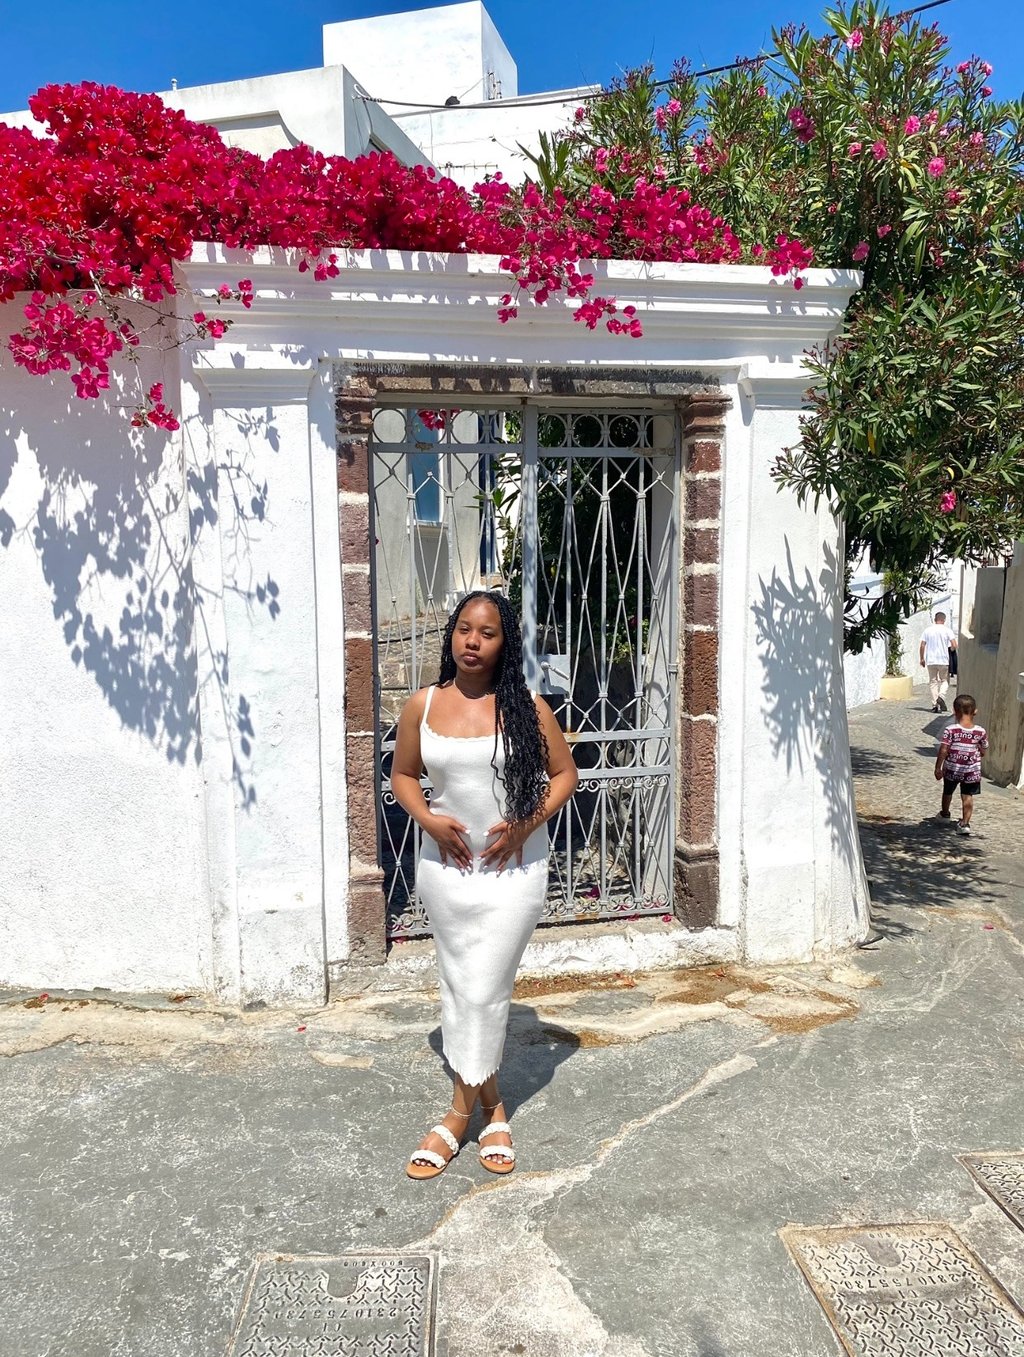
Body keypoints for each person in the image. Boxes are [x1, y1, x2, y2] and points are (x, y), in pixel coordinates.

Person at [390, 590, 578, 1180]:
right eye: (464, 629)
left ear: (504, 644)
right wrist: (427, 820)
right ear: (451, 634)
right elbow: (402, 776)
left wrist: (525, 822)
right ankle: (493, 1108)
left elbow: (565, 774)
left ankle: (455, 1118)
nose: (473, 641)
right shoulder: (422, 705)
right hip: (446, 872)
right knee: (460, 985)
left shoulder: (526, 707)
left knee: (484, 988)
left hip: (512, 873)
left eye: (488, 633)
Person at [934, 693, 988, 836]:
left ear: (954, 711)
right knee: (967, 795)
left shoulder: (950, 730)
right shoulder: (980, 731)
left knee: (948, 791)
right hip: (971, 771)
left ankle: (945, 814)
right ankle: (964, 824)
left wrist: (938, 767)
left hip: (952, 769)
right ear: (975, 711)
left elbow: (943, 749)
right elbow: (983, 751)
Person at [919, 610, 958, 712]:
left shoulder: (927, 630)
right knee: (945, 680)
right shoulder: (947, 630)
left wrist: (922, 658)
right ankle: (941, 696)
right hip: (943, 660)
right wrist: (951, 651)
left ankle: (934, 705)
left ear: (935, 619)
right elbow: (954, 645)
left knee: (933, 682)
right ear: (944, 620)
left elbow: (922, 645)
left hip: (931, 660)